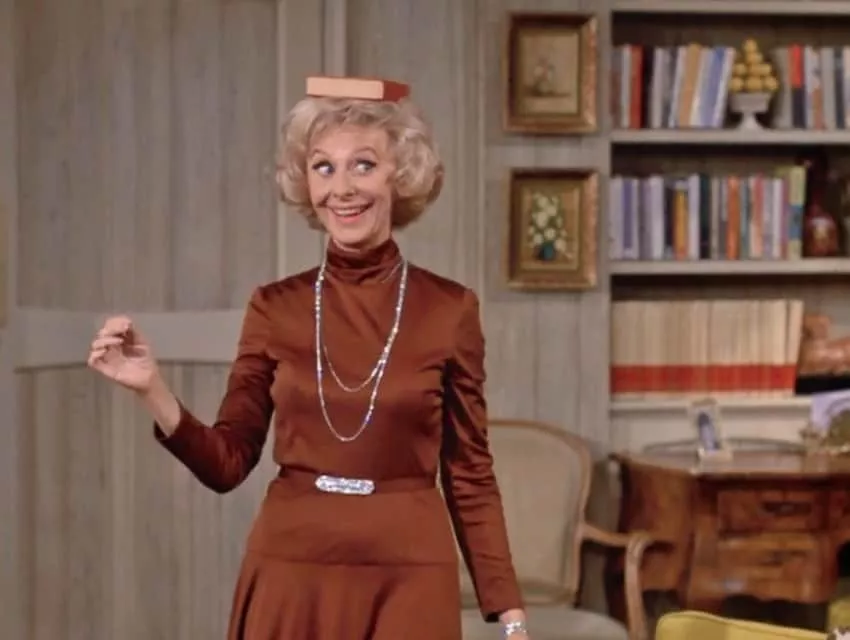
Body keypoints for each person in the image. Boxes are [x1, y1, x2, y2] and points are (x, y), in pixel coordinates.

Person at [87, 76, 529, 639]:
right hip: (291, 572)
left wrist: (511, 619)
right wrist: (152, 389)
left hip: (409, 573)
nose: (342, 188)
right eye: (324, 167)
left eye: (363, 164)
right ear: (306, 183)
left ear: (400, 174)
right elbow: (227, 464)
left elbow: (469, 474)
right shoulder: (275, 307)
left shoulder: (449, 309)